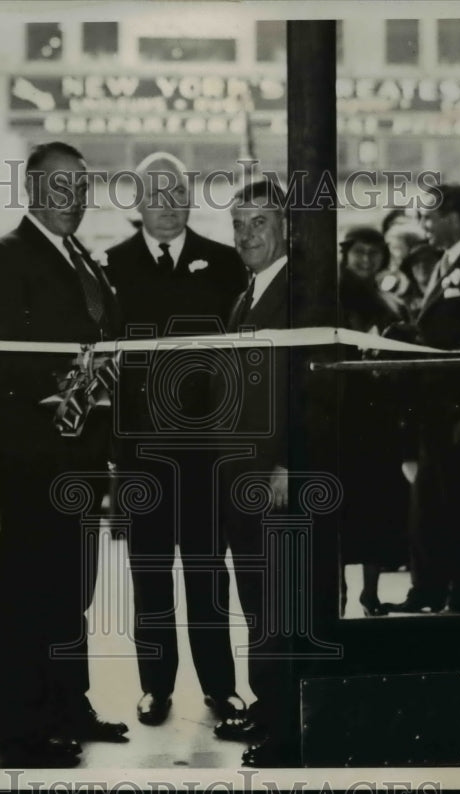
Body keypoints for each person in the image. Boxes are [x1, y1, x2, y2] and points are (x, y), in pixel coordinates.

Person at [0, 141, 127, 768]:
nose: (74, 198)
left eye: (81, 186)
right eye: (60, 186)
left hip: (79, 453)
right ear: (33, 190)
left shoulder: (81, 259)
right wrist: (61, 388)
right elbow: (4, 357)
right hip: (34, 454)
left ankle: (69, 702)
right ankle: (20, 725)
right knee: (26, 588)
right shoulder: (6, 257)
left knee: (71, 586)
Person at [103, 152, 248, 728]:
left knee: (210, 571)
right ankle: (155, 688)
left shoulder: (224, 262)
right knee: (150, 571)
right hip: (142, 452)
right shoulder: (111, 265)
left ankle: (221, 686)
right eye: (154, 194)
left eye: (176, 193)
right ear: (137, 203)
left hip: (208, 452)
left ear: (190, 198)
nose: (166, 205)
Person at [211, 179, 295, 767]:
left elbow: (305, 388)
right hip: (241, 475)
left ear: (286, 226)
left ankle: (289, 729)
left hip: (273, 478)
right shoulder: (247, 297)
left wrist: (287, 462)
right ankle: (270, 708)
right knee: (258, 599)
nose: (246, 235)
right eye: (238, 224)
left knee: (279, 603)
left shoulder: (297, 293)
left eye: (259, 222)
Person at [388, 184, 460, 614]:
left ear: (452, 215)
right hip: (431, 405)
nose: (424, 226)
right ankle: (427, 589)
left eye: (429, 217)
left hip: (455, 404)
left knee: (457, 501)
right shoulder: (443, 264)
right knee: (428, 501)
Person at [336, 226, 409, 616]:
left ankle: (370, 593)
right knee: (340, 511)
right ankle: (340, 591)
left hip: (378, 419)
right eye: (359, 253)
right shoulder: (329, 297)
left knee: (376, 509)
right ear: (346, 254)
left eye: (374, 253)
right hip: (342, 418)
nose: (366, 260)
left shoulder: (390, 303)